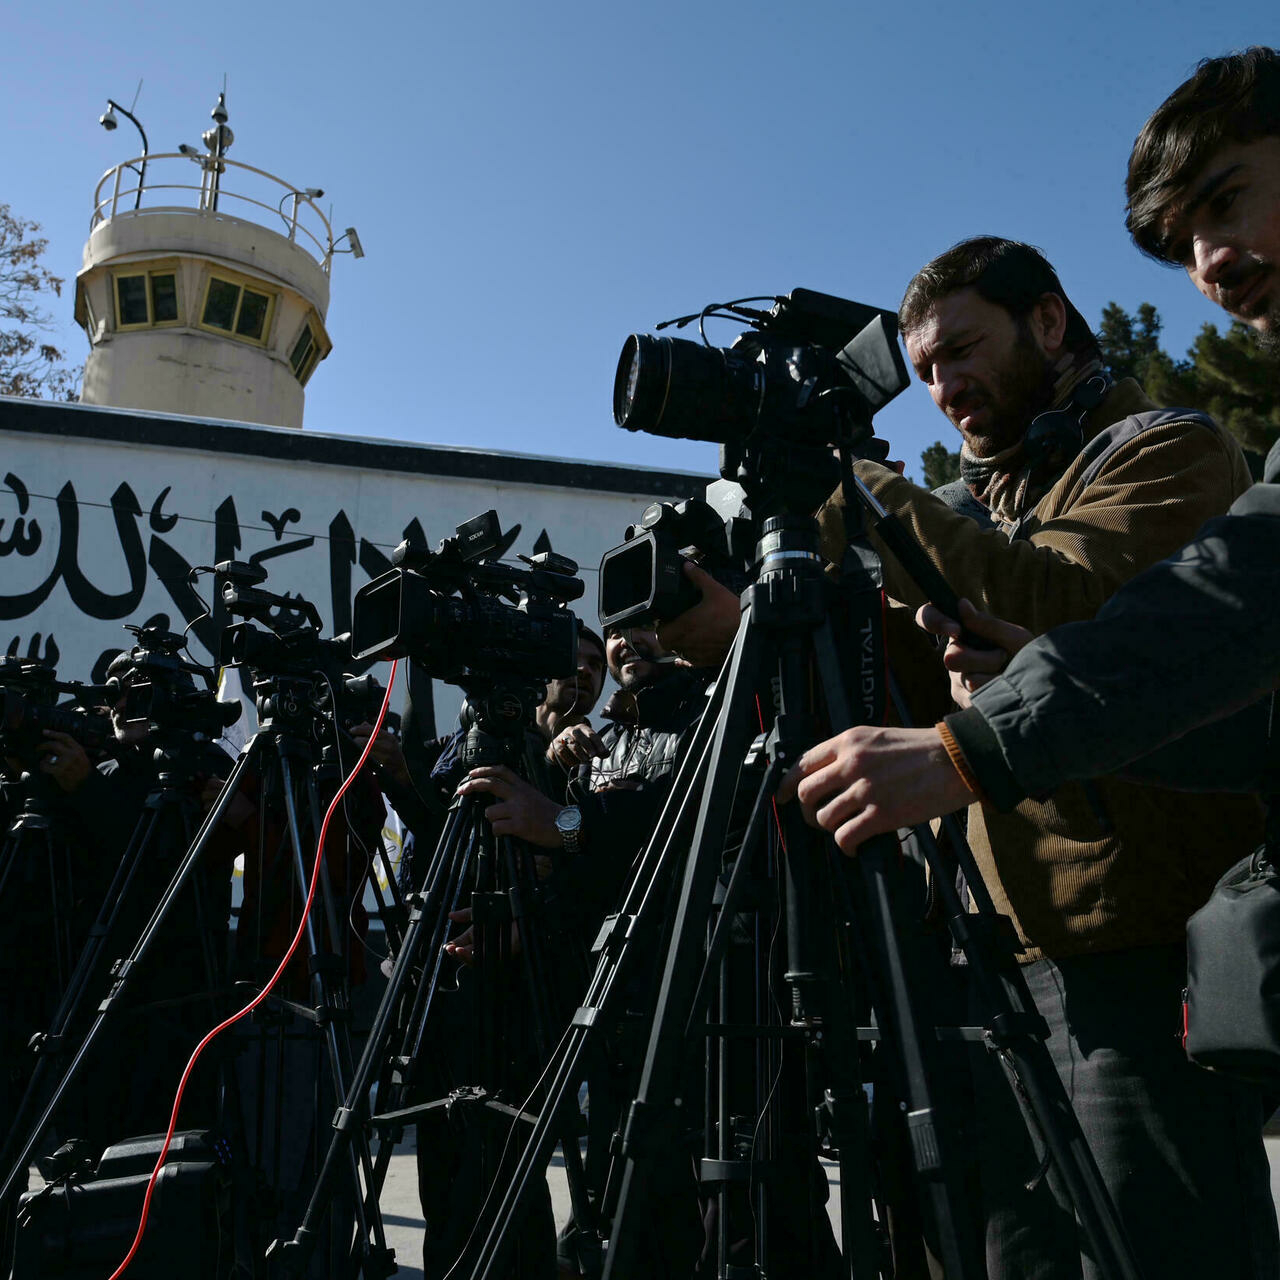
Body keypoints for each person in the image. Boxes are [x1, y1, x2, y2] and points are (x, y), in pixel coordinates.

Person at [780, 48, 1280, 1280]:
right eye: (923, 369)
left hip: (1136, 951)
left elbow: (1098, 608)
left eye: (961, 349)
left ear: (1048, 323)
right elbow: (899, 691)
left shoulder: (1158, 446)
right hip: (1000, 959)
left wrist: (864, 497)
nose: (943, 387)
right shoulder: (970, 507)